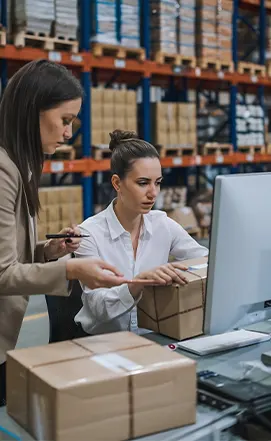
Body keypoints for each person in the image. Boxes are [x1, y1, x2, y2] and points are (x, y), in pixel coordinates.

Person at [0, 61, 130, 406]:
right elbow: (1, 274)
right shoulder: (3, 171)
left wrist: (49, 250)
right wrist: (72, 269)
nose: (69, 133)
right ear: (32, 111)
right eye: (65, 120)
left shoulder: (18, 165)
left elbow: (10, 251)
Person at [74, 129, 209, 336]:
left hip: (153, 336)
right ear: (117, 183)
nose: (153, 193)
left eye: (158, 183)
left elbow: (206, 261)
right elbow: (98, 307)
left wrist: (184, 270)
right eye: (143, 183)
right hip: (103, 343)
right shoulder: (89, 235)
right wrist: (138, 283)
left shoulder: (163, 224)